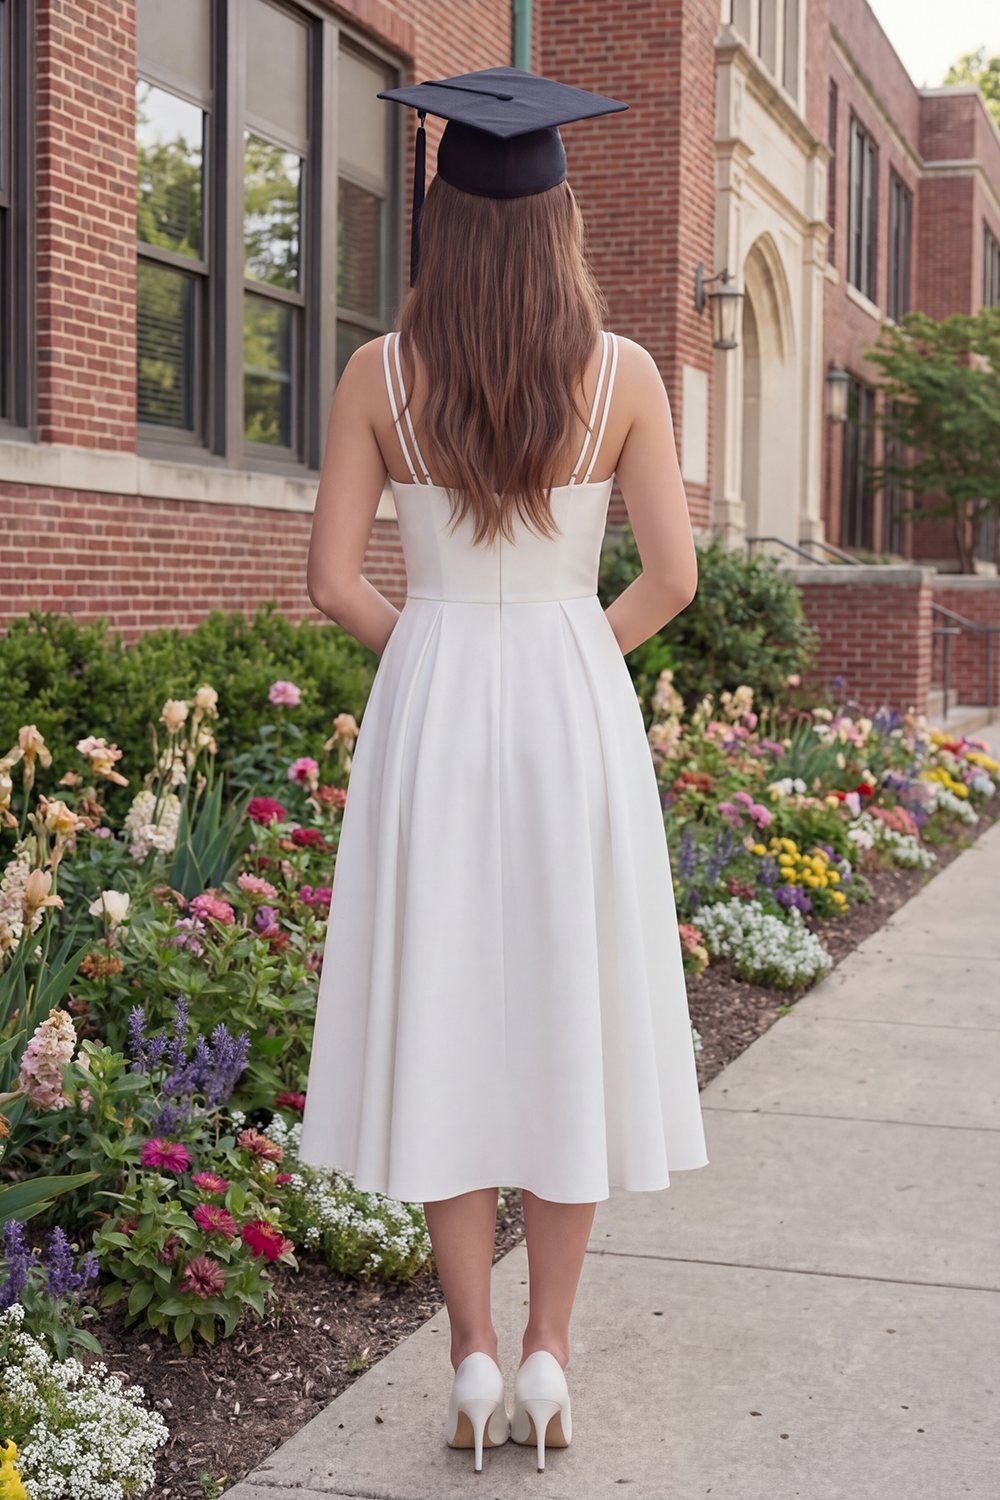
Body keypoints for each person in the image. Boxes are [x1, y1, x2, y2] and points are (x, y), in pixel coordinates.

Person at [300, 67, 708, 1475]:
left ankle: (469, 1356)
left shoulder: (376, 372)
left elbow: (331, 583)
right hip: (569, 707)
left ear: (441, 221)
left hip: (433, 710)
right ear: (558, 219)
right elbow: (673, 576)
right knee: (568, 1017)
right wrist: (567, 653)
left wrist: (433, 647)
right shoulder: (625, 372)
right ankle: (549, 1353)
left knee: (451, 1018)